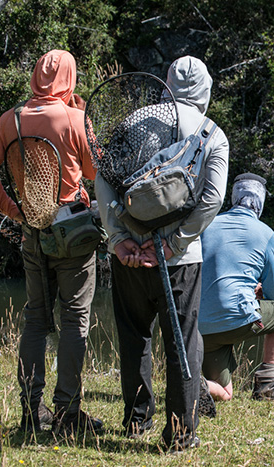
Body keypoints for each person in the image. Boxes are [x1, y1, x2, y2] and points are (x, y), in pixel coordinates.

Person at [95, 55, 229, 451]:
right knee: (181, 344)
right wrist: (174, 243)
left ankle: (137, 421)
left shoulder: (134, 121)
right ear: (205, 92)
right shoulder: (212, 134)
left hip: (130, 255)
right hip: (180, 261)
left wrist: (118, 239)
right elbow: (213, 199)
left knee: (135, 337)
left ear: (166, 82)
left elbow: (103, 178)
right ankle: (181, 434)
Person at [0, 50, 102, 434]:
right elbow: (97, 172)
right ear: (70, 78)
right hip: (74, 232)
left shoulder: (9, 120)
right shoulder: (76, 118)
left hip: (33, 230)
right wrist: (78, 122)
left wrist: (14, 210)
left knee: (35, 321)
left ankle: (31, 412)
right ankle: (67, 413)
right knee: (75, 320)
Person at [199, 173, 274, 402]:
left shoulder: (206, 224)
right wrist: (258, 290)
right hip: (238, 318)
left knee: (225, 394)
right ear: (261, 201)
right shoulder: (265, 233)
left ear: (233, 197)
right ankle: (267, 385)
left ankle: (194, 384)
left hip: (201, 327)